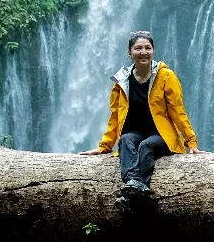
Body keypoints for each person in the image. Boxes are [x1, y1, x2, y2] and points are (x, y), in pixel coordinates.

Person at [81, 30, 203, 194]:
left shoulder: (166, 76)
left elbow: (178, 111)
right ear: (130, 52)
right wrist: (105, 146)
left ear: (153, 50)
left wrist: (191, 142)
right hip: (136, 134)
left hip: (162, 136)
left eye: (148, 48)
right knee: (125, 139)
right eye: (138, 48)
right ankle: (133, 184)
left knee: (146, 146)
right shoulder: (122, 80)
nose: (143, 52)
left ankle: (137, 187)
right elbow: (115, 117)